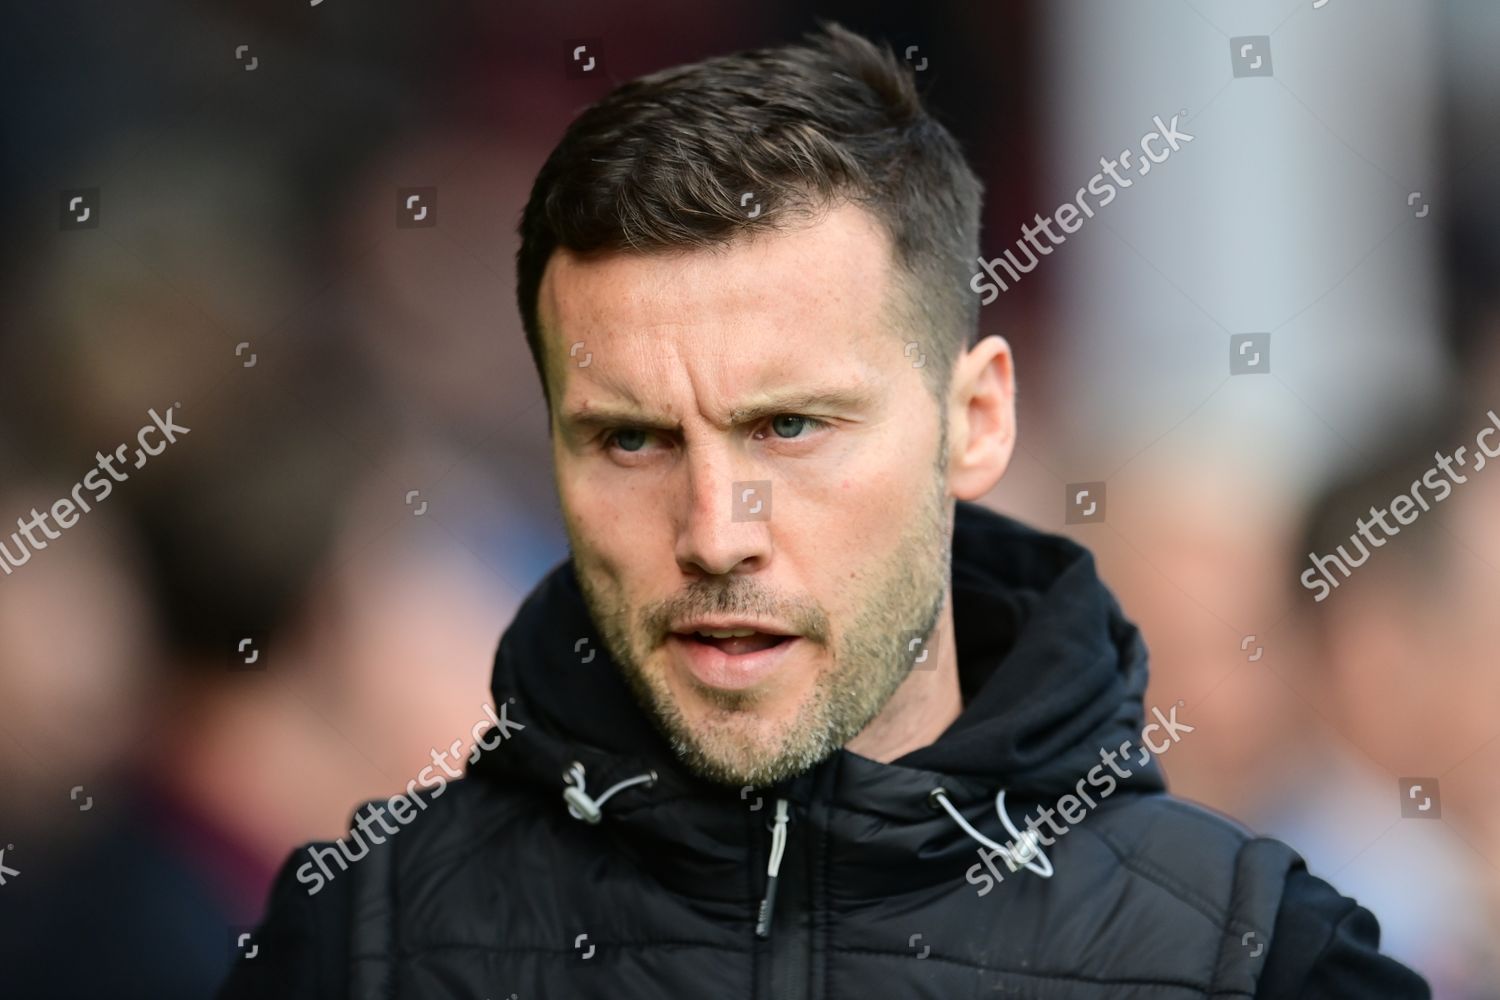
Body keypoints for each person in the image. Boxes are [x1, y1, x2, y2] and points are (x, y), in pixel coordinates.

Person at [220, 23, 1429, 998]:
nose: (713, 527)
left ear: (978, 421)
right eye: (630, 438)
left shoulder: (1257, 958)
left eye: (790, 426)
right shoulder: (362, 942)